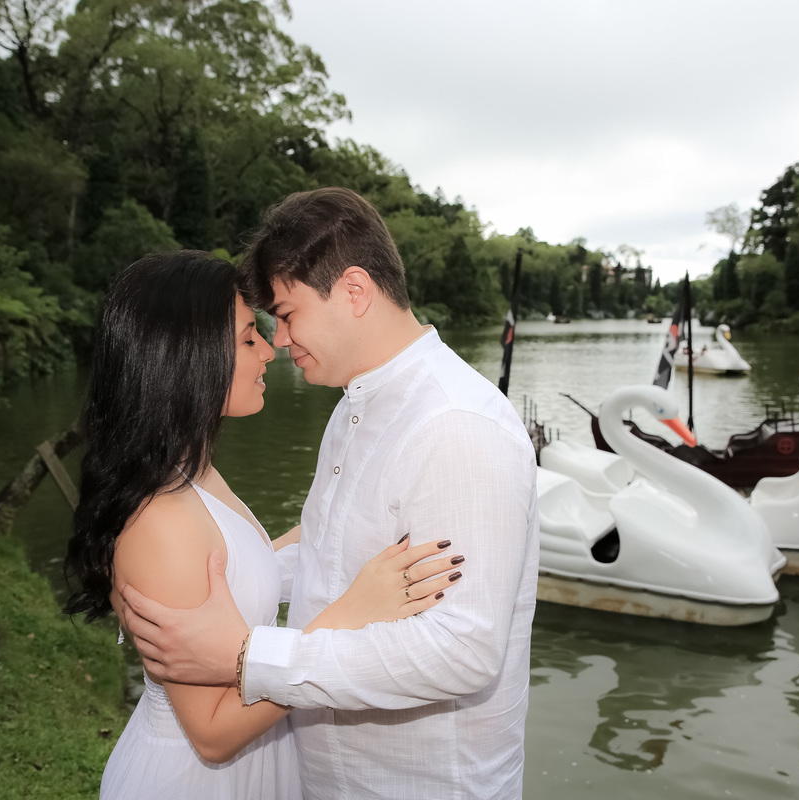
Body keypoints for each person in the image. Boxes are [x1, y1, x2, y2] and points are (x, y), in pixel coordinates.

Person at [120, 188, 541, 799]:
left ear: (354, 291)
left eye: (288, 314)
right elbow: (329, 555)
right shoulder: (354, 407)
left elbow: (462, 650)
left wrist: (249, 656)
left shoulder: (455, 427)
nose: (279, 340)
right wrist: (211, 580)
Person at [63, 250, 463, 800]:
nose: (270, 350)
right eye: (249, 337)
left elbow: (248, 563)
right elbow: (211, 733)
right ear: (191, 358)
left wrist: (396, 506)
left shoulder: (189, 470)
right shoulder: (159, 519)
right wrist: (352, 612)